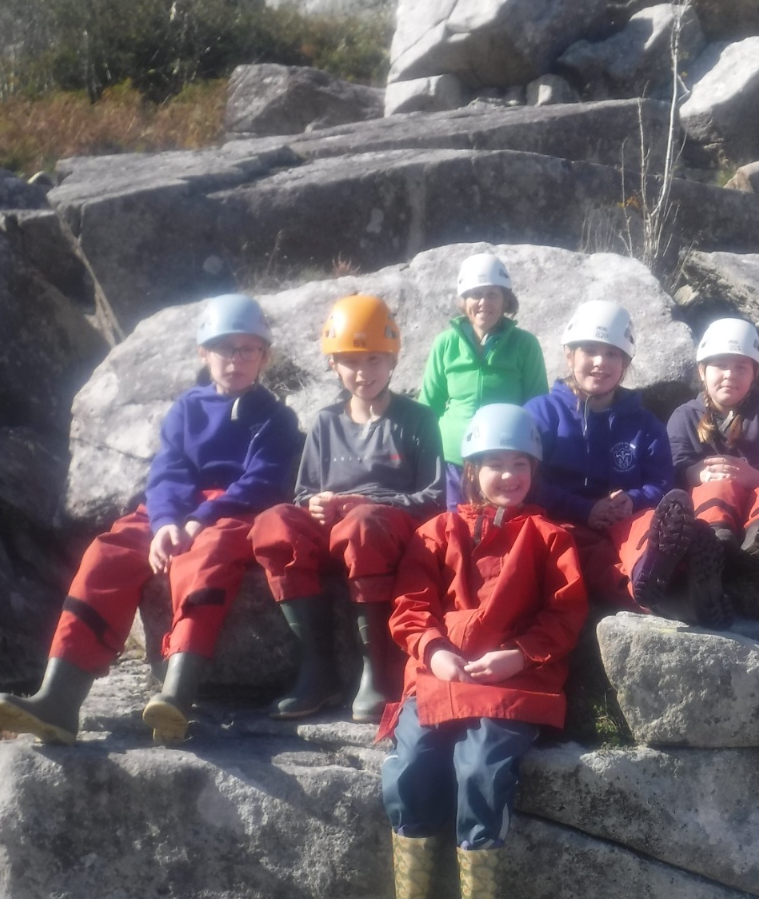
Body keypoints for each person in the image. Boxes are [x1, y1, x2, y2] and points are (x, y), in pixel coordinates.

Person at [0, 294, 301, 745]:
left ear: (264, 356)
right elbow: (169, 469)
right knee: (107, 553)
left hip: (233, 512)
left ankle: (177, 695)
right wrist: (166, 522)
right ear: (203, 353)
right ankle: (59, 698)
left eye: (248, 349)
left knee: (205, 557)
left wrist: (200, 520)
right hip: (172, 508)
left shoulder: (276, 418)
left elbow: (262, 481)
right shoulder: (187, 408)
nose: (235, 360)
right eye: (224, 348)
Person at [378, 403, 587, 899]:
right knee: (410, 765)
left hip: (512, 679)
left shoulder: (550, 537)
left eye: (520, 464)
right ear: (470, 469)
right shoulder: (435, 533)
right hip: (438, 674)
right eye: (495, 463)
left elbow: (565, 613)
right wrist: (433, 649)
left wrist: (519, 655)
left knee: (480, 771)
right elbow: (410, 605)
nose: (509, 475)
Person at [249, 295, 444, 722]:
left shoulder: (418, 419)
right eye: (351, 362)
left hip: (383, 530)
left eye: (374, 359)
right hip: (334, 529)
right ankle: (318, 671)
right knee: (272, 523)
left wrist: (371, 503)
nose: (363, 372)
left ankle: (376, 672)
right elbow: (303, 493)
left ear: (393, 360)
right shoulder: (325, 422)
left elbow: (433, 498)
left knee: (363, 523)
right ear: (334, 365)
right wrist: (314, 504)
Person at [524, 300, 730, 628]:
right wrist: (585, 509)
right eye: (589, 351)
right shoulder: (541, 414)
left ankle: (657, 572)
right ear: (569, 355)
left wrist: (631, 500)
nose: (600, 362)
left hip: (626, 518)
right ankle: (667, 591)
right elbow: (529, 482)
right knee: (583, 553)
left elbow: (661, 482)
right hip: (565, 520)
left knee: (647, 526)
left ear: (626, 363)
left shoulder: (644, 424)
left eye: (612, 353)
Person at [667, 317, 759, 565]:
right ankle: (715, 538)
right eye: (720, 365)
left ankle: (758, 540)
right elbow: (675, 461)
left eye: (741, 367)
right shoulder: (684, 416)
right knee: (716, 487)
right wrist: (694, 473)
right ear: (702, 371)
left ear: (754, 374)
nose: (730, 375)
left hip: (757, 502)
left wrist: (755, 476)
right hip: (709, 506)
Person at [418, 253, 549, 508]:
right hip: (453, 460)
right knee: (456, 526)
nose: (483, 302)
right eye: (475, 294)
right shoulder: (445, 344)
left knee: (503, 526)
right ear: (463, 300)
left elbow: (537, 406)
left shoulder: (525, 344)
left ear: (505, 300)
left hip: (505, 464)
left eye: (492, 294)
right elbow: (429, 405)